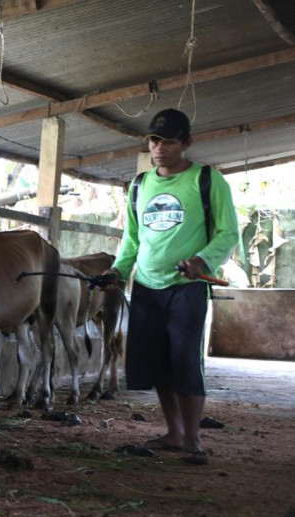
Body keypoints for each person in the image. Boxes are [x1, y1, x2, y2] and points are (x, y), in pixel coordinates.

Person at [102, 108, 239, 465]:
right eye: (154, 140)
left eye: (169, 141)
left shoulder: (207, 180)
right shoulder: (139, 185)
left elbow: (228, 232)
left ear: (187, 143)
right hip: (146, 286)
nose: (159, 148)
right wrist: (118, 271)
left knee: (185, 361)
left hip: (186, 288)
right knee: (159, 363)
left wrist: (201, 262)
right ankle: (175, 433)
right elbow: (132, 239)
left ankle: (193, 439)